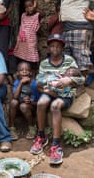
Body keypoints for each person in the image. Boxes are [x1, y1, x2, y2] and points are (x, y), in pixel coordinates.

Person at [30, 33, 85, 165]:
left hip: (65, 94)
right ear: (48, 48)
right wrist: (47, 88)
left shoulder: (69, 61)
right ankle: (41, 136)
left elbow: (81, 79)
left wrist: (68, 80)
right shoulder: (44, 63)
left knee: (55, 106)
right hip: (49, 91)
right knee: (42, 102)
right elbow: (39, 81)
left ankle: (56, 145)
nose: (55, 48)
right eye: (52, 46)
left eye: (58, 46)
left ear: (62, 48)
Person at [9, 61, 40, 141]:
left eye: (27, 70)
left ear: (30, 73)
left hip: (31, 107)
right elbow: (15, 97)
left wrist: (30, 102)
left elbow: (39, 102)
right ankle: (12, 128)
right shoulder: (17, 82)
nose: (24, 72)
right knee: (13, 102)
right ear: (18, 73)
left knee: (23, 106)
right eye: (21, 70)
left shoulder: (34, 84)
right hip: (18, 107)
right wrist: (21, 84)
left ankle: (32, 127)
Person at [12, 0, 43, 74]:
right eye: (26, 7)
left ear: (34, 5)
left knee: (31, 56)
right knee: (21, 55)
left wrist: (36, 7)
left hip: (31, 40)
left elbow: (43, 14)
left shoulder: (37, 16)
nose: (28, 8)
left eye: (30, 6)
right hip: (22, 41)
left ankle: (32, 73)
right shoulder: (23, 15)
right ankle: (21, 72)